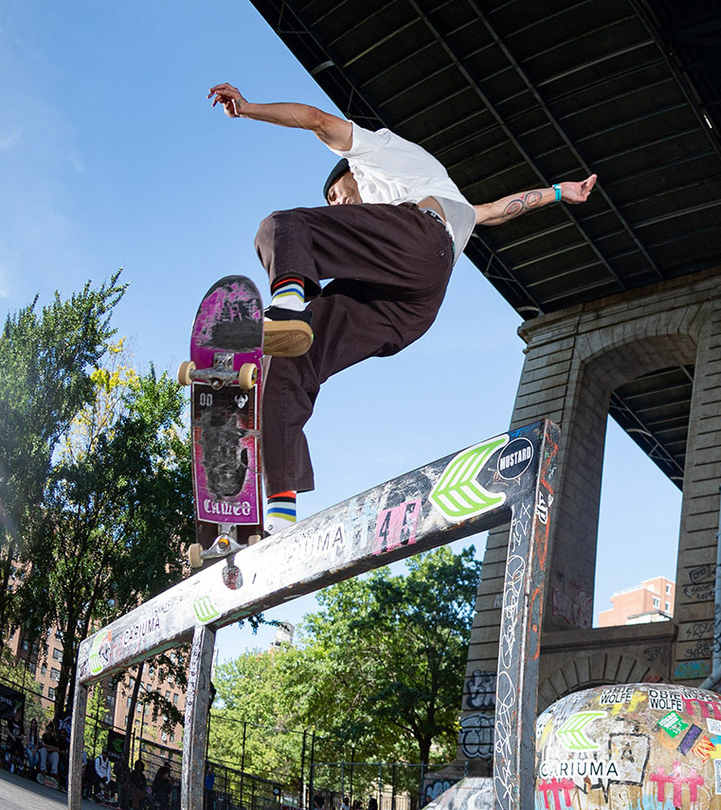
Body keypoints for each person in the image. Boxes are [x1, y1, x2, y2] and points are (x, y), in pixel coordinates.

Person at [207, 82, 599, 533]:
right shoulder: (447, 209)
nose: (335, 203)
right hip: (407, 308)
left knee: (282, 225)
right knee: (290, 363)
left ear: (352, 172)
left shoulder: (375, 152)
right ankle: (280, 510)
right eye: (332, 201)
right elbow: (496, 210)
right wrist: (557, 192)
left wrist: (249, 108)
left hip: (419, 241)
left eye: (337, 193)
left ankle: (287, 307)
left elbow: (316, 120)